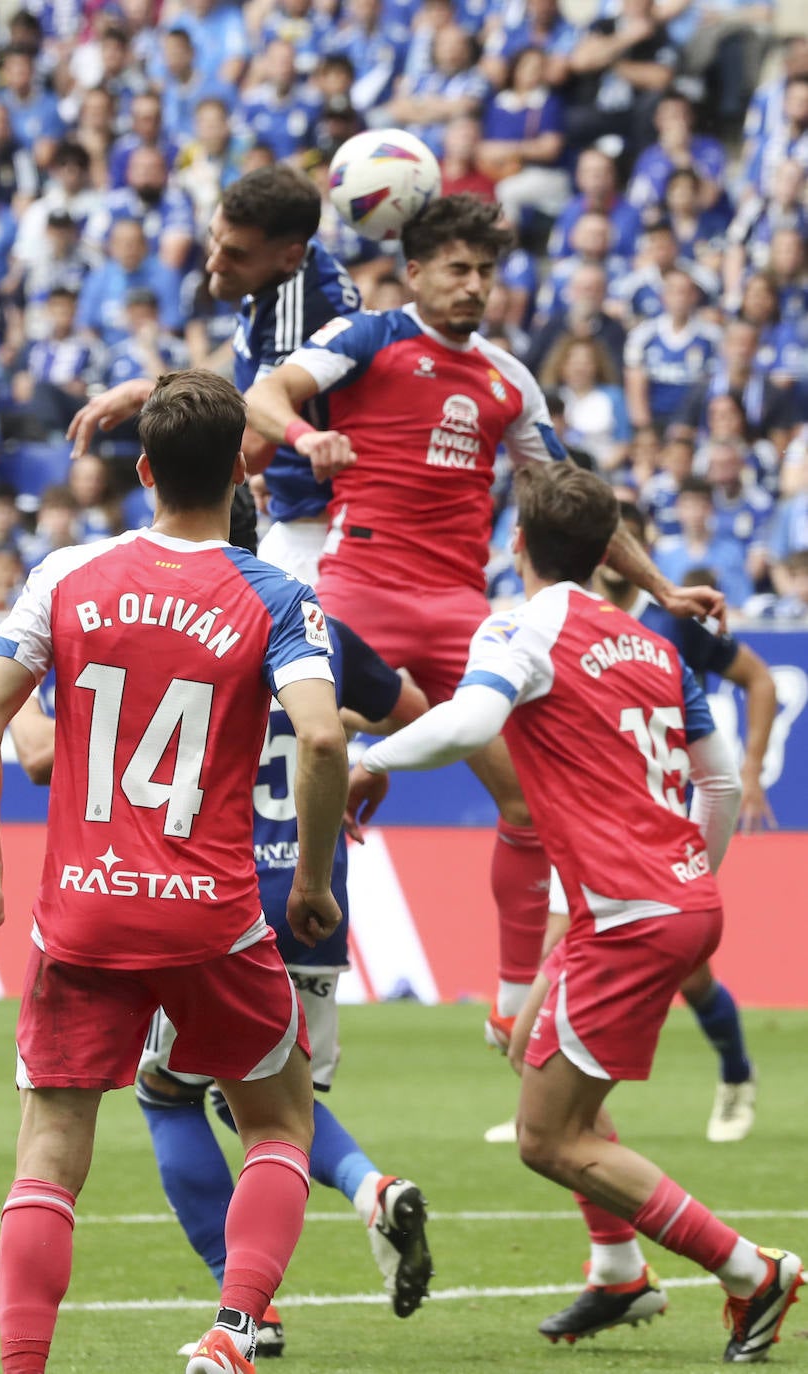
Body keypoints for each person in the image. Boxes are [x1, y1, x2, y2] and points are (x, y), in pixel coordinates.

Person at [0, 369, 350, 1374]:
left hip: (82, 917)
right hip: (212, 918)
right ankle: (238, 1329)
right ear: (240, 481)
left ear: (145, 470)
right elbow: (324, 742)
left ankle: (21, 1366)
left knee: (49, 1156)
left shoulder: (69, 572)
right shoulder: (275, 594)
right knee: (280, 1122)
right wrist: (314, 884)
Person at [244, 193, 726, 1077]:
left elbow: (573, 498)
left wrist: (660, 588)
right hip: (359, 588)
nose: (473, 287)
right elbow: (266, 392)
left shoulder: (508, 377)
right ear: (416, 269)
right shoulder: (368, 338)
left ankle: (509, 1003)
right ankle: (280, 955)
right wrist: (311, 438)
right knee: (294, 752)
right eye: (457, 270)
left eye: (485, 273)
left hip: (462, 609)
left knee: (526, 806)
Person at [343, 461, 804, 1362]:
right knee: (531, 1054)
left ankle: (751, 1272)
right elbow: (714, 776)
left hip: (628, 913)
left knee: (546, 1137)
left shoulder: (520, 625)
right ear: (609, 553)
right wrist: (688, 875)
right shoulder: (654, 644)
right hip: (661, 902)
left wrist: (376, 757)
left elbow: (470, 725)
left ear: (515, 542)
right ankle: (618, 1270)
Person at [10, 609, 434, 1354]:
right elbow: (412, 716)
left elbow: (53, 754)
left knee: (174, 1092)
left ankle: (245, 1314)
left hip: (214, 897)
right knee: (272, 1098)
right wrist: (372, 756)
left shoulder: (158, 625)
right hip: (314, 895)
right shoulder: (321, 626)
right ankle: (370, 1191)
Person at [68, 164, 362, 587]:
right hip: (294, 512)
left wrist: (159, 404)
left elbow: (251, 447)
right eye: (213, 238)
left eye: (235, 253)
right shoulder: (278, 277)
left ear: (290, 255)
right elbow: (252, 403)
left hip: (322, 534)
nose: (213, 262)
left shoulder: (302, 310)